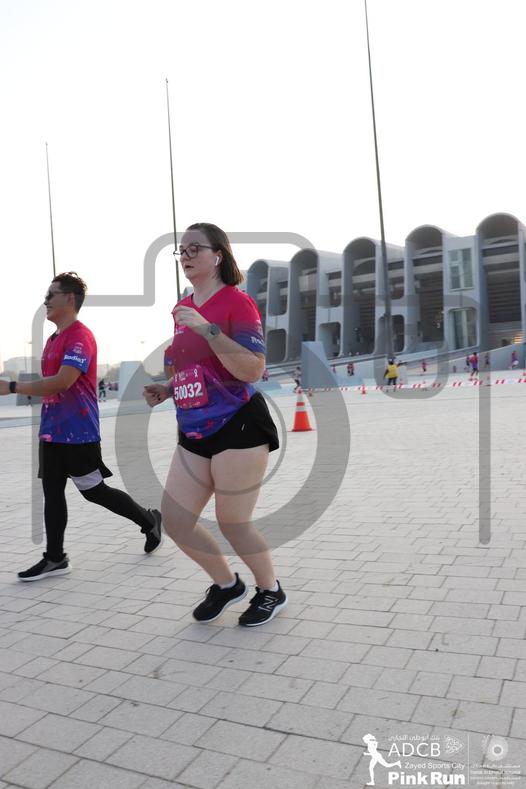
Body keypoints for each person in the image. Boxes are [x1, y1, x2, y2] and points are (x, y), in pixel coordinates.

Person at [144, 223, 287, 627]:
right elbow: (195, 367)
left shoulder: (237, 303)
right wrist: (168, 387)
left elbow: (252, 369)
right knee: (177, 520)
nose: (186, 256)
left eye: (195, 248)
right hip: (193, 426)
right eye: (182, 250)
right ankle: (226, 585)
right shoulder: (181, 308)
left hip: (239, 423)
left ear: (218, 255)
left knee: (233, 522)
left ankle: (270, 590)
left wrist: (206, 328)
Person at [0, 272, 162, 581]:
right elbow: (51, 385)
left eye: (51, 294)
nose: (45, 301)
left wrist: (11, 387)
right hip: (52, 431)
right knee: (52, 492)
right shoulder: (53, 340)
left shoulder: (80, 337)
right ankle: (55, 558)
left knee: (94, 491)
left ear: (69, 298)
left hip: (79, 432)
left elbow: (62, 382)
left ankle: (149, 520)